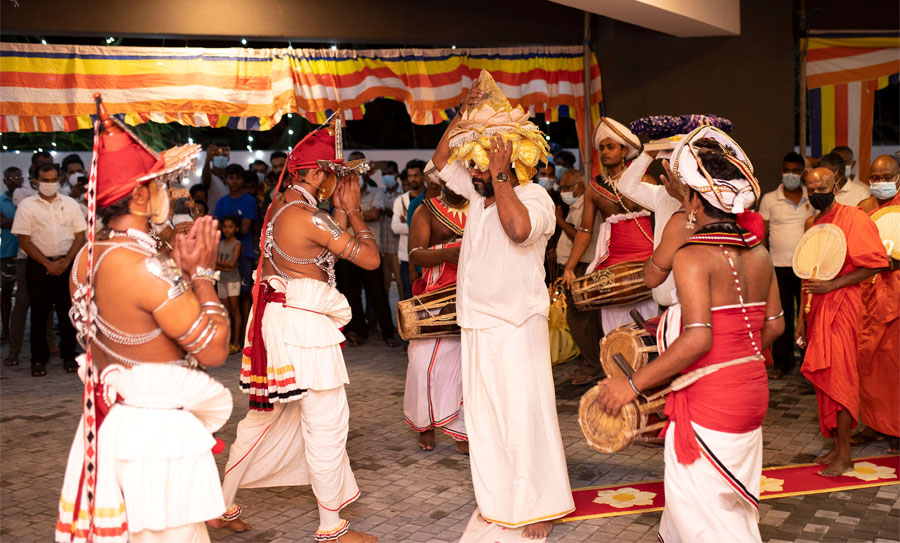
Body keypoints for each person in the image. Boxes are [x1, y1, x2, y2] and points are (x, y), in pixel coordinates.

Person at [55, 97, 232, 543]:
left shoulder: (87, 257)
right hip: (155, 436)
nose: (168, 193)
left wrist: (179, 269)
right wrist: (204, 276)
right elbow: (212, 351)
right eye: (161, 184)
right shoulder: (143, 267)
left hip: (115, 424)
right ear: (137, 194)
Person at [594, 126, 783, 542]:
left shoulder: (693, 257)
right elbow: (775, 326)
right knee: (717, 504)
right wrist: (735, 358)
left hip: (711, 401)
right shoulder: (760, 253)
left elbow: (697, 340)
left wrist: (631, 386)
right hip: (751, 393)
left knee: (710, 522)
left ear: (695, 199)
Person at [211, 121, 378, 543]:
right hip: (304, 329)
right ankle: (331, 528)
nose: (338, 183)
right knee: (325, 423)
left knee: (261, 421)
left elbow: (319, 259)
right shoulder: (306, 216)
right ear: (317, 173)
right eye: (334, 175)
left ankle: (220, 506)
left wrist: (339, 213)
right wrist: (354, 209)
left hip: (281, 322)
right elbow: (371, 260)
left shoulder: (280, 207)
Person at [433, 73, 573, 540]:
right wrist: (463, 116)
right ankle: (500, 499)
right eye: (474, 168)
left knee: (524, 416)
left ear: (512, 165)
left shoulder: (536, 199)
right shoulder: (478, 197)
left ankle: (542, 505)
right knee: (486, 419)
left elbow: (518, 230)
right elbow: (438, 162)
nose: (473, 175)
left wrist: (498, 173)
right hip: (476, 325)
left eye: (483, 168)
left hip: (516, 327)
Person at [796, 167, 888, 476]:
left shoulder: (854, 217)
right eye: (811, 188)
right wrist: (801, 322)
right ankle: (837, 447)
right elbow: (807, 275)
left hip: (844, 305)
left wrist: (834, 285)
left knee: (840, 380)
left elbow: (876, 264)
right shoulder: (813, 223)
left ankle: (846, 456)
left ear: (836, 186)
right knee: (824, 382)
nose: (816, 192)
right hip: (817, 306)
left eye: (822, 186)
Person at [562, 117, 658, 333]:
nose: (604, 152)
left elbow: (664, 217)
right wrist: (570, 266)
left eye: (610, 147)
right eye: (602, 148)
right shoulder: (594, 188)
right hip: (612, 261)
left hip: (647, 257)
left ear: (624, 152)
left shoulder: (646, 180)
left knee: (651, 313)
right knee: (615, 323)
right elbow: (585, 231)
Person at [404, 181, 469, 453]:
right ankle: (426, 423)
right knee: (422, 363)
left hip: (472, 292)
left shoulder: (481, 206)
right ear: (442, 181)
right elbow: (414, 254)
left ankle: (462, 432)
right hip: (435, 293)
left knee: (465, 365)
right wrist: (448, 253)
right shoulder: (426, 210)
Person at [12, 164, 86, 376]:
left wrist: (64, 262)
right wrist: (47, 263)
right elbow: (24, 240)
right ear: (35, 181)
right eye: (45, 180)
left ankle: (69, 356)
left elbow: (80, 236)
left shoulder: (70, 204)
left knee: (67, 313)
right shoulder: (27, 206)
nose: (50, 184)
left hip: (67, 262)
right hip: (38, 266)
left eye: (54, 179)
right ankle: (38, 359)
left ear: (59, 179)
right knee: (39, 313)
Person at [854, 155, 899, 453]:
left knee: (895, 365)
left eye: (886, 177)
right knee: (869, 362)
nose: (879, 183)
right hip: (869, 294)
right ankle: (874, 424)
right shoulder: (865, 208)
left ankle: (896, 429)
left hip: (896, 295)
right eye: (875, 178)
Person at [336, 151, 400, 347]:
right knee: (351, 295)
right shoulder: (339, 192)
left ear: (364, 169)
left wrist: (352, 210)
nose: (354, 171)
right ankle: (359, 331)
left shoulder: (376, 192)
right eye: (351, 166)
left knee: (378, 293)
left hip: (372, 251)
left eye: (358, 166)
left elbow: (376, 214)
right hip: (348, 253)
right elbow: (343, 219)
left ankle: (388, 332)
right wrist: (354, 210)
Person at [759, 151, 814, 379]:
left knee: (808, 316)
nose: (790, 174)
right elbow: (763, 234)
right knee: (781, 316)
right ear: (782, 171)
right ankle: (782, 364)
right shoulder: (770, 199)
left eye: (795, 171)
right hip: (778, 267)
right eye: (786, 170)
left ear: (802, 173)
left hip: (807, 267)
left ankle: (809, 365)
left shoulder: (812, 199)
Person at [615, 143, 687, 309]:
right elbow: (625, 186)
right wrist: (648, 155)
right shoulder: (662, 194)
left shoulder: (709, 202)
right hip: (663, 308)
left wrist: (683, 197)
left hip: (690, 309)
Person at [554, 170, 605, 384]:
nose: (563, 191)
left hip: (581, 267)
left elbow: (579, 235)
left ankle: (592, 366)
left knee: (581, 319)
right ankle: (590, 363)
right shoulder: (577, 205)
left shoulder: (586, 204)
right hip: (574, 265)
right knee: (581, 318)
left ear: (580, 186)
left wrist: (559, 220)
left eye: (567, 187)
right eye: (562, 187)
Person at [213, 163, 259, 343]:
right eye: (230, 177)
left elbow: (246, 228)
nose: (234, 181)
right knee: (226, 297)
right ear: (225, 180)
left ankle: (246, 336)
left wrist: (228, 230)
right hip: (223, 252)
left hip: (244, 252)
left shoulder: (249, 201)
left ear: (242, 180)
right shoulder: (221, 202)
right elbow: (217, 227)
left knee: (245, 294)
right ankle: (231, 338)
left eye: (237, 177)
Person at [392, 161, 426, 300]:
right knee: (409, 299)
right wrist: (421, 227)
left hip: (427, 257)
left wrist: (407, 223)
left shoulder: (429, 197)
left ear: (423, 176)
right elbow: (395, 227)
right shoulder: (400, 200)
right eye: (410, 176)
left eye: (416, 175)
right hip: (406, 259)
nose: (413, 179)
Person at [1, 167, 22, 347]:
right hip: (7, 252)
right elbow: (1, 222)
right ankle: (5, 330)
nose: (14, 180)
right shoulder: (1, 200)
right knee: (6, 292)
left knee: (25, 296)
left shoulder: (28, 199)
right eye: (10, 177)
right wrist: (23, 220)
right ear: (4, 181)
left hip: (25, 253)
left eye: (17, 177)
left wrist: (10, 222)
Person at [217, 215, 244, 353]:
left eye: (231, 227)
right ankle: (227, 341)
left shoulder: (237, 244)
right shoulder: (219, 244)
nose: (227, 230)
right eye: (225, 226)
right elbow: (216, 264)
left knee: (235, 309)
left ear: (236, 228)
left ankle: (236, 342)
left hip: (233, 280)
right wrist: (225, 266)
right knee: (225, 311)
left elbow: (233, 264)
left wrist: (220, 265)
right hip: (221, 280)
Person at [378, 161, 404, 298]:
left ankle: (405, 317)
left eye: (389, 174)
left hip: (398, 248)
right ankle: (386, 318)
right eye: (384, 174)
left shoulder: (403, 195)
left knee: (401, 284)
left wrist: (391, 212)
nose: (386, 177)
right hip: (384, 249)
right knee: (384, 286)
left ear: (396, 174)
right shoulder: (380, 194)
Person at [201, 142, 231, 212]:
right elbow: (206, 179)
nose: (221, 158)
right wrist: (207, 160)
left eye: (224, 155)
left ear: (228, 158)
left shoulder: (231, 177)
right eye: (218, 155)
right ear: (212, 158)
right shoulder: (210, 176)